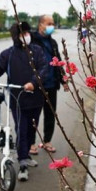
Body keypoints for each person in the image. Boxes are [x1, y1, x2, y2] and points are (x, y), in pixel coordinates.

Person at [0, 22, 48, 181]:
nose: (26, 36)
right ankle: (23, 163)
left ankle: (26, 155)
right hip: (17, 98)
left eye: (27, 32)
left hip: (36, 97)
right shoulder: (9, 54)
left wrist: (33, 82)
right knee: (21, 129)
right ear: (15, 37)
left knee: (32, 129)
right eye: (22, 34)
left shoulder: (38, 51)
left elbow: (44, 69)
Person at [30, 14, 69, 154]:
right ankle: (31, 143)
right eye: (49, 23)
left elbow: (57, 60)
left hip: (51, 84)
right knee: (33, 116)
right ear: (40, 25)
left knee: (50, 115)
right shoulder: (31, 41)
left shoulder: (52, 43)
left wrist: (63, 79)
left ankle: (47, 141)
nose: (51, 26)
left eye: (52, 23)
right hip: (36, 85)